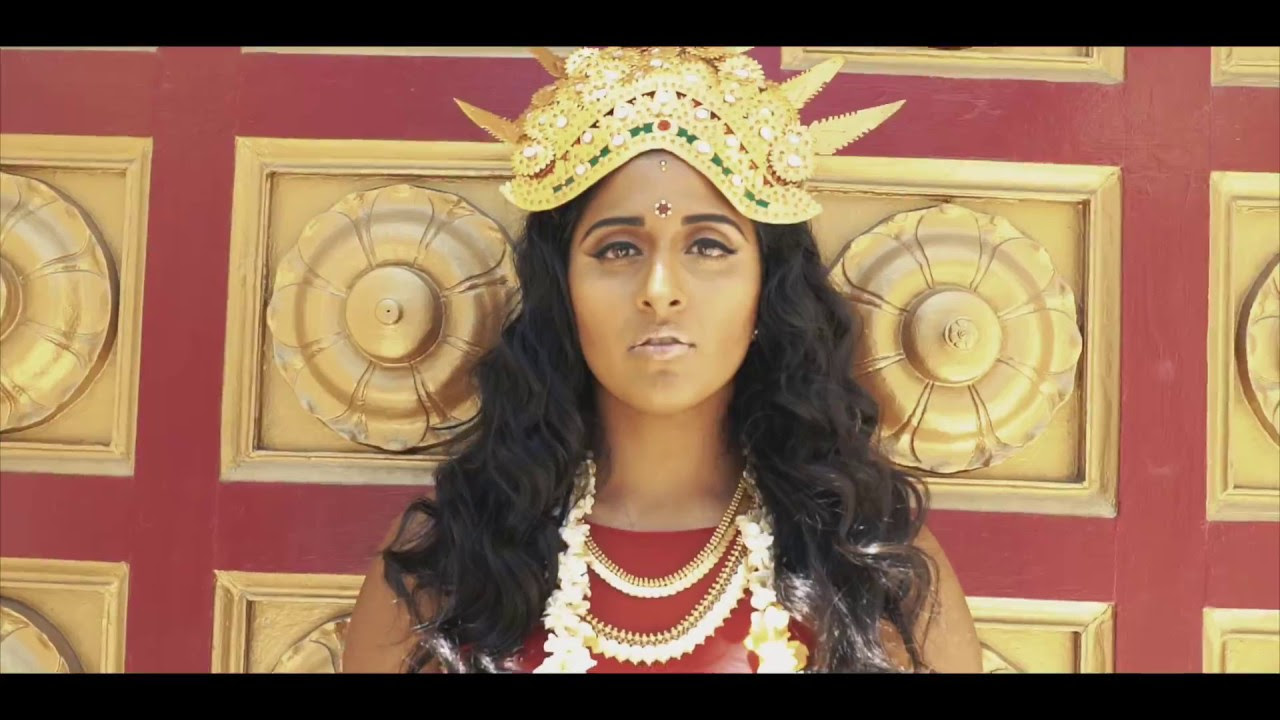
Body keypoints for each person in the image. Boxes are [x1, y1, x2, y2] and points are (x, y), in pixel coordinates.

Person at [343, 46, 982, 673]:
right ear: (562, 292)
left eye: (708, 246)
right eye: (618, 249)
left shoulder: (869, 569)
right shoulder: (448, 565)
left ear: (768, 287)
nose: (659, 289)